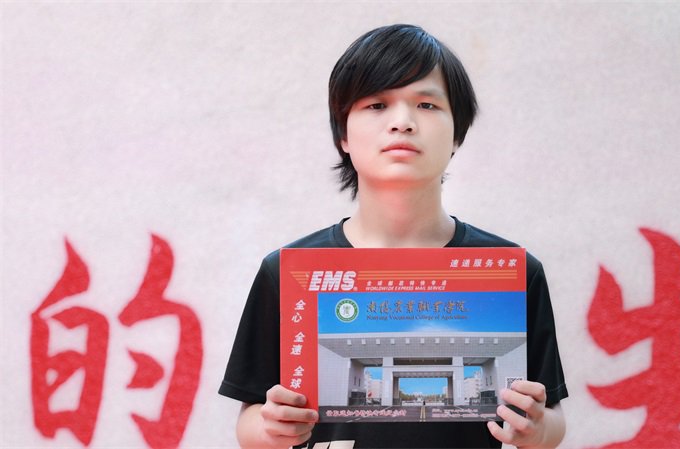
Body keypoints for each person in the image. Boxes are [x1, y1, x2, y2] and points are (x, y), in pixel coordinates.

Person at [219, 24, 568, 449]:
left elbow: (553, 419)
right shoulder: (289, 271)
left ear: (457, 133)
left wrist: (537, 429)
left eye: (426, 104)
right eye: (377, 104)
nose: (402, 122)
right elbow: (249, 421)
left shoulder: (512, 271)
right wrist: (271, 427)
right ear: (343, 135)